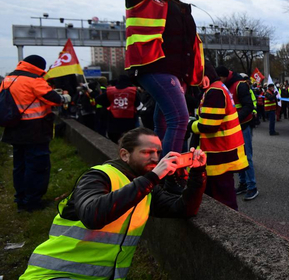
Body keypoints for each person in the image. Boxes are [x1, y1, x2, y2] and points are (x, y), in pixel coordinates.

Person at [20, 127, 207, 280]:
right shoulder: (98, 176)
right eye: (147, 152)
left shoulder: (147, 186)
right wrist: (153, 177)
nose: (155, 158)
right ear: (124, 155)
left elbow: (184, 208)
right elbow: (93, 216)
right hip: (56, 274)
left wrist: (198, 174)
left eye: (158, 152)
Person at [108, 0, 204, 158]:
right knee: (180, 118)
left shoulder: (181, 9)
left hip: (175, 73)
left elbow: (192, 46)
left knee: (164, 121)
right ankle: (166, 175)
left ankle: (162, 167)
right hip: (154, 67)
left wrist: (205, 75)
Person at [1, 55, 63, 212]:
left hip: (14, 128)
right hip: (35, 130)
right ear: (38, 67)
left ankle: (21, 199)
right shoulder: (34, 80)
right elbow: (55, 99)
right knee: (37, 167)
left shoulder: (8, 78)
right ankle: (33, 202)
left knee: (20, 166)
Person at [190, 63, 249, 209]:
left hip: (220, 155)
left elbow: (208, 125)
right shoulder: (217, 88)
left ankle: (230, 229)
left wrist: (190, 124)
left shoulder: (214, 91)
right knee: (221, 196)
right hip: (221, 152)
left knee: (224, 201)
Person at [217, 67, 259, 201]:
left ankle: (252, 187)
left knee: (246, 156)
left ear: (224, 76)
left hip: (243, 125)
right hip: (234, 126)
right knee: (237, 156)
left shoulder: (240, 85)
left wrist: (234, 119)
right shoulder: (228, 85)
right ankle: (243, 183)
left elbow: (248, 106)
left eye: (219, 78)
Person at [95, 74, 140, 143]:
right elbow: (138, 103)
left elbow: (98, 99)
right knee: (130, 139)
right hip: (129, 120)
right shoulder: (133, 91)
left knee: (114, 139)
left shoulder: (110, 91)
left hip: (114, 121)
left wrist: (110, 104)